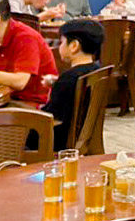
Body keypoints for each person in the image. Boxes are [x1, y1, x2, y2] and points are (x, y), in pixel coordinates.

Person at [41, 19, 103, 149]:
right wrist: (56, 83)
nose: (60, 46)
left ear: (74, 46)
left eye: (62, 42)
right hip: (82, 136)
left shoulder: (68, 79)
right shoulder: (97, 70)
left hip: (56, 141)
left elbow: (52, 117)